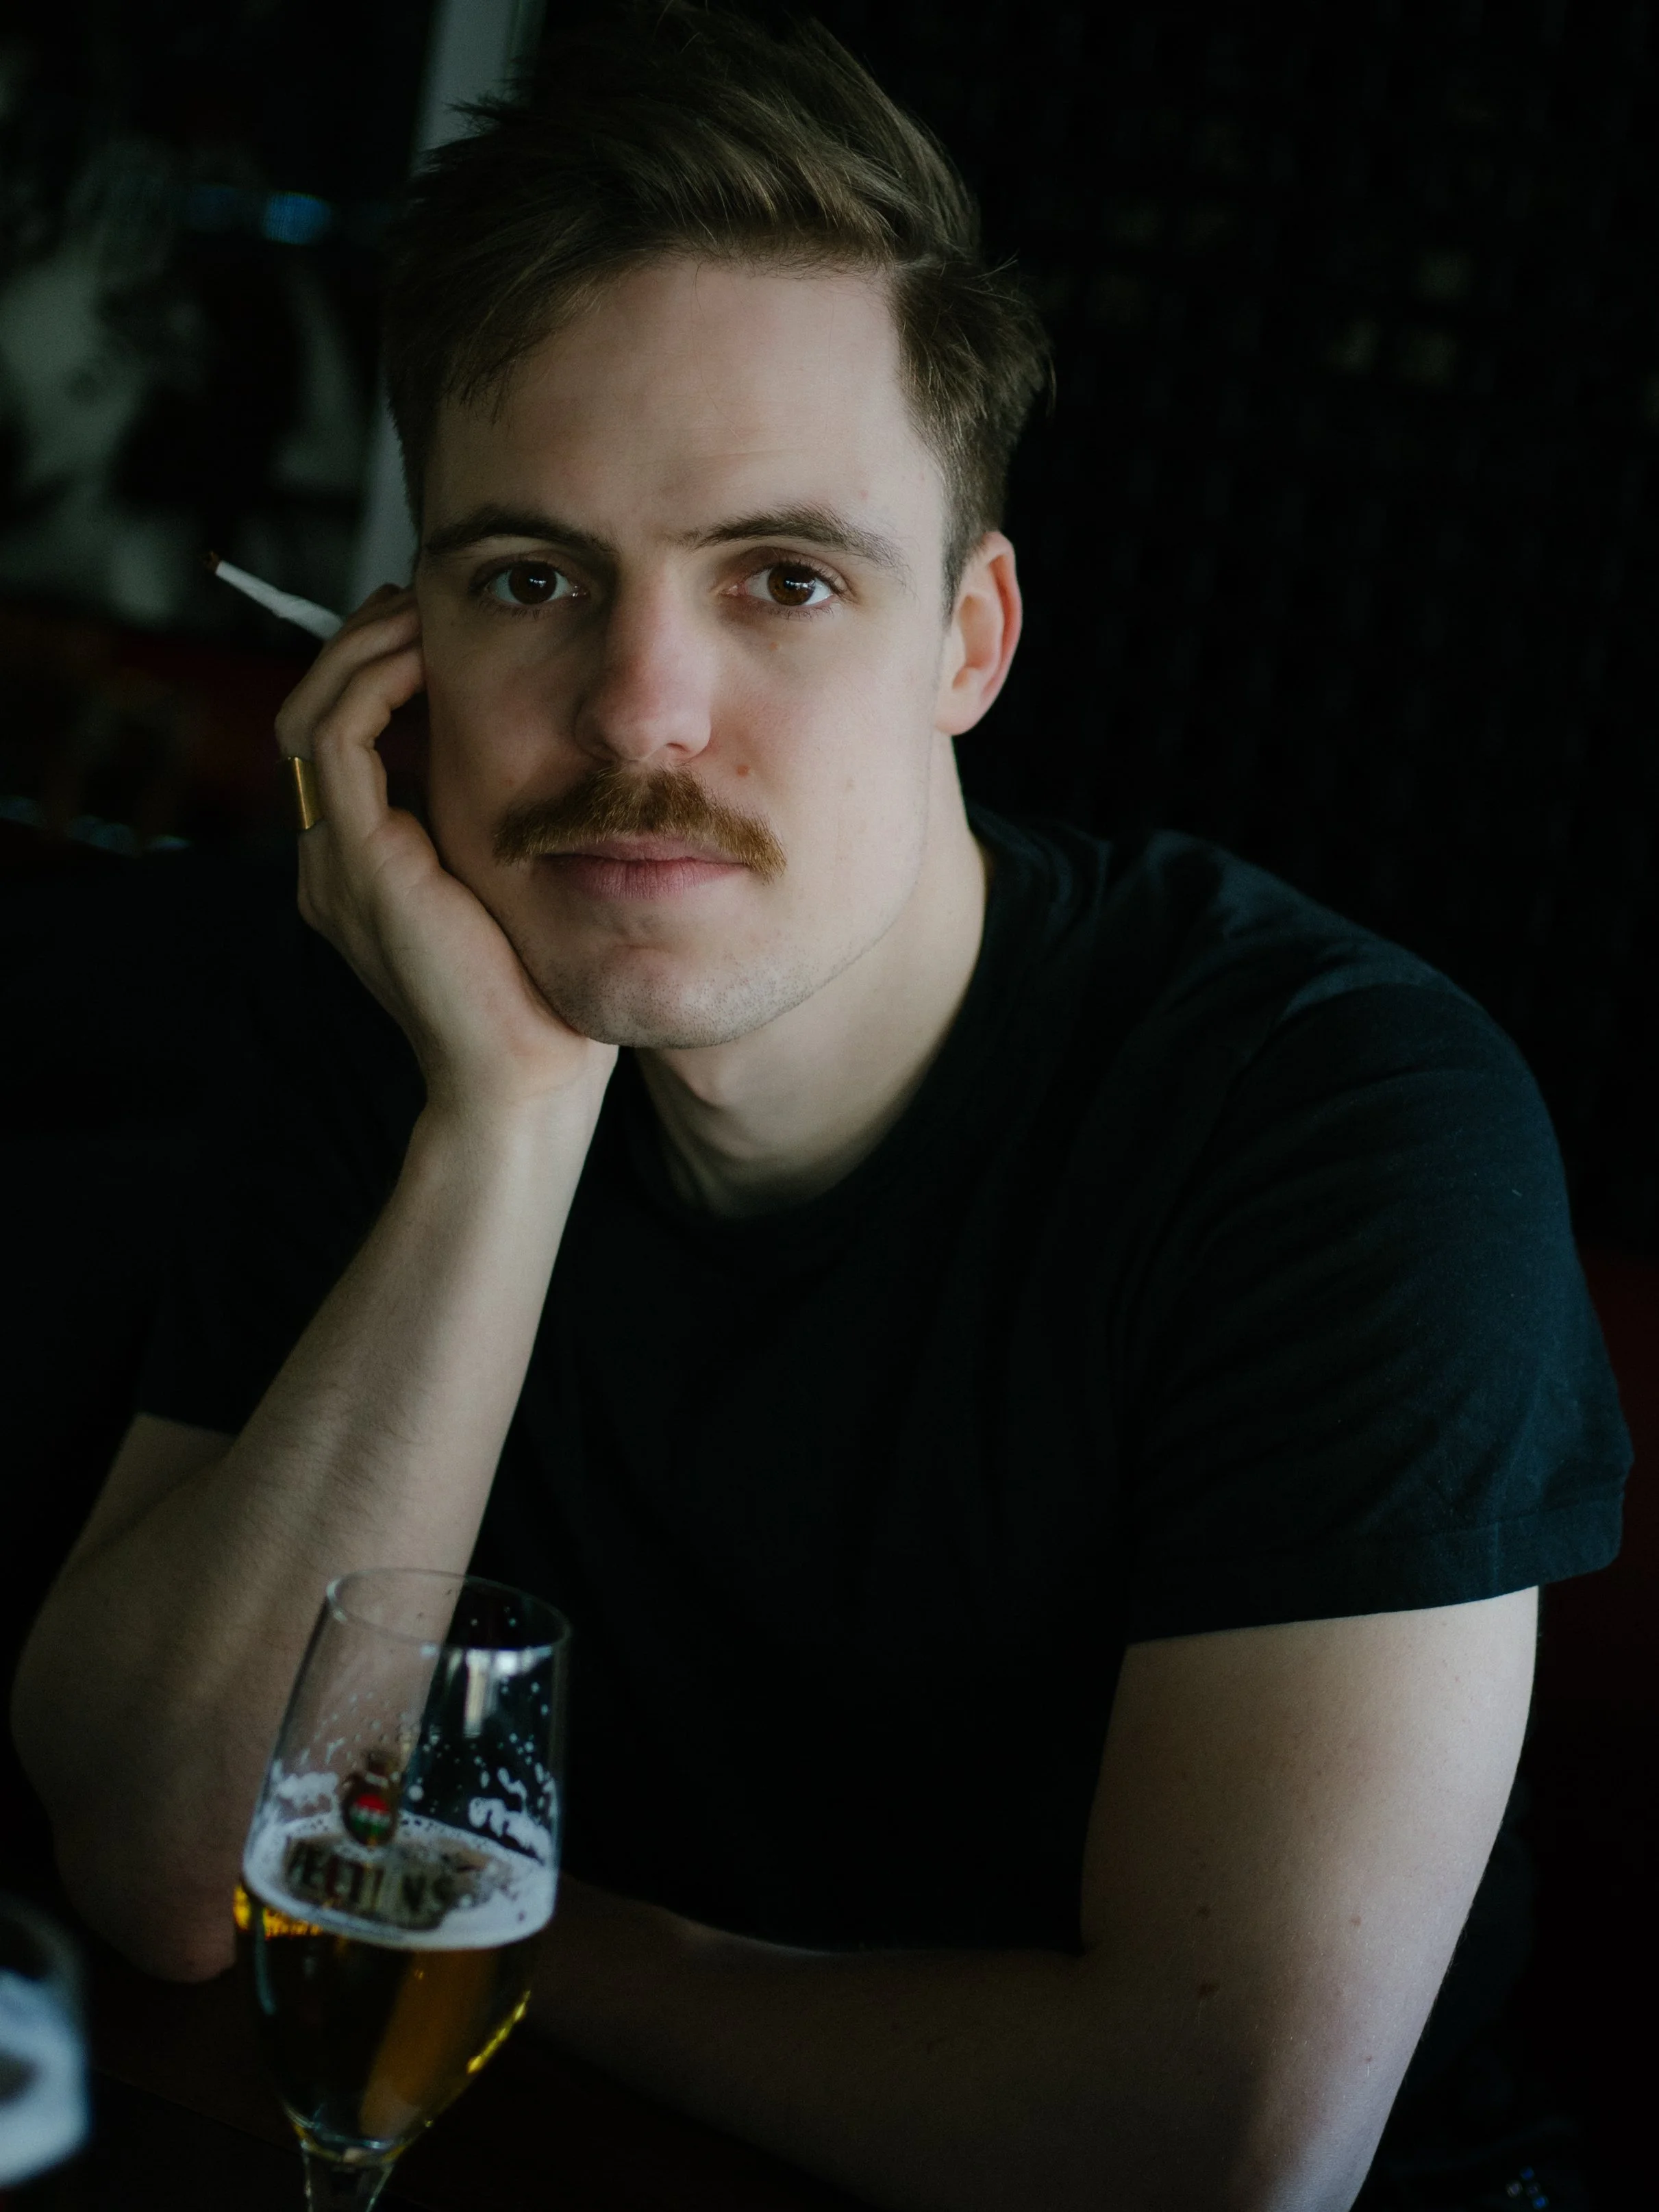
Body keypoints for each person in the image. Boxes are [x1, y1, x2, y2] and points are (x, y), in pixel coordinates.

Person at [10, 8, 1627, 2209]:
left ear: (969, 637)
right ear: (403, 644)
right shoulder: (414, 1009)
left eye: (783, 577)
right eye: (528, 578)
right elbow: (167, 1859)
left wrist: (502, 1933)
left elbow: (1215, 2148)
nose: (636, 711)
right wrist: (505, 1122)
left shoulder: (1333, 1125)